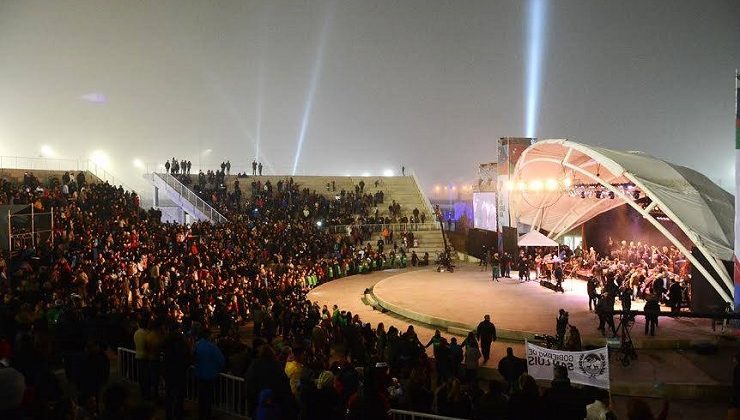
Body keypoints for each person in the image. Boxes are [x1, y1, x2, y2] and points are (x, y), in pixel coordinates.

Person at [194, 329, 225, 420]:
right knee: (208, 398)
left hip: (200, 373)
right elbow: (221, 360)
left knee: (202, 397)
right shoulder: (212, 347)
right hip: (210, 375)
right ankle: (207, 415)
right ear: (208, 336)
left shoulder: (197, 345)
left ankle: (202, 415)